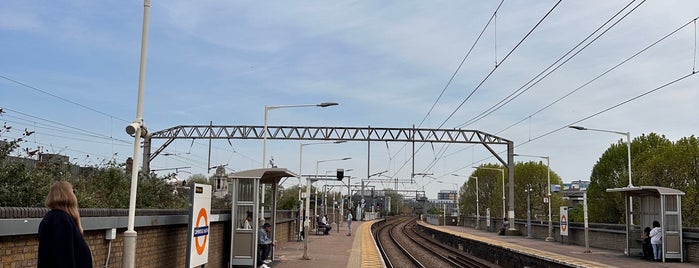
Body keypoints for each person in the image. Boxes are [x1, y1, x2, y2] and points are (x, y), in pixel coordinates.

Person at [37, 181, 93, 268]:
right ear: (67, 195)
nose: (75, 195)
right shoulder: (61, 220)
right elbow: (64, 258)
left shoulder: (56, 218)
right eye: (73, 191)